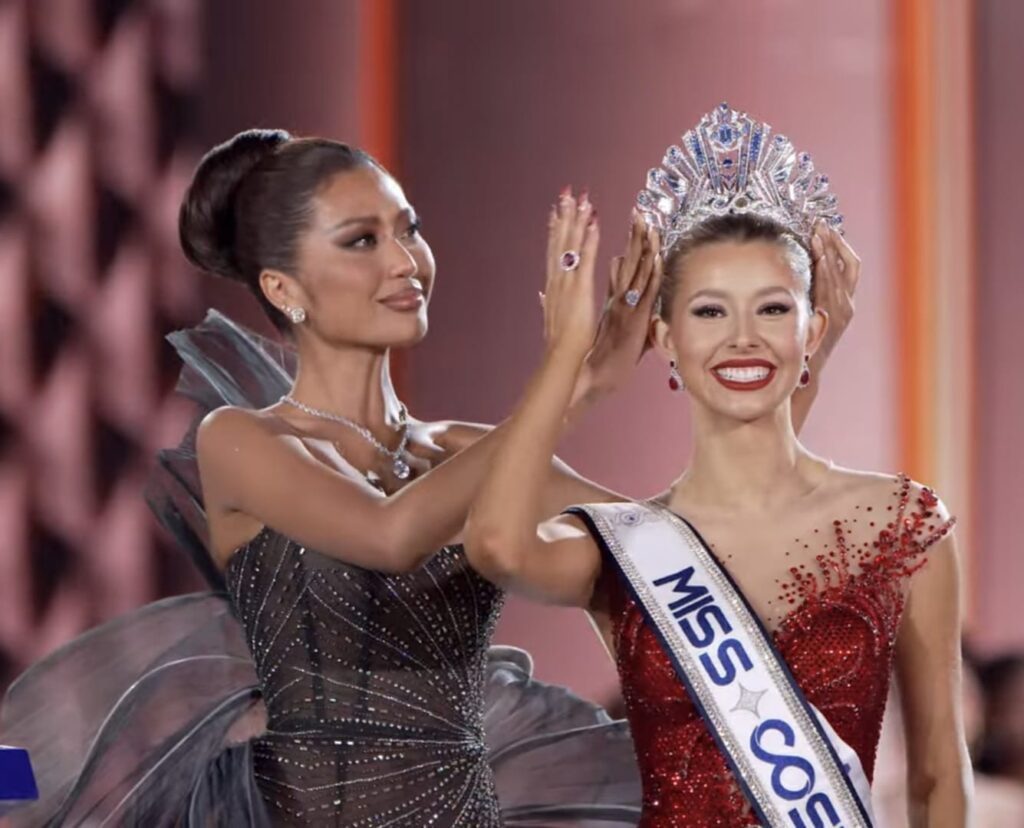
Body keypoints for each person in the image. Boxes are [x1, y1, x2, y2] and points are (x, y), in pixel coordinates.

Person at [1, 130, 653, 827]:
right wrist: (570, 381)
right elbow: (389, 535)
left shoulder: (463, 450)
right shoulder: (243, 440)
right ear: (283, 288)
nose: (406, 261)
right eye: (362, 241)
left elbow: (652, 545)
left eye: (409, 229)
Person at [465, 104, 971, 827]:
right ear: (665, 339)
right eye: (709, 312)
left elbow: (937, 775)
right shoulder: (625, 546)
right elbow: (496, 544)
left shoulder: (898, 523)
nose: (742, 339)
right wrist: (575, 363)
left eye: (772, 310)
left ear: (813, 330)